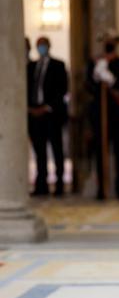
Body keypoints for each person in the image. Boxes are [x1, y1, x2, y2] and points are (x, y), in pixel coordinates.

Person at [87, 29, 119, 200]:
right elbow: (89, 87)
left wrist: (111, 80)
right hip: (99, 114)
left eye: (111, 41)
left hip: (118, 115)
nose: (108, 44)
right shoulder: (95, 64)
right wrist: (97, 77)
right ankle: (102, 189)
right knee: (100, 153)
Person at [27, 36, 68, 196]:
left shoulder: (58, 65)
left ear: (49, 46)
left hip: (52, 114)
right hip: (35, 114)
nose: (41, 48)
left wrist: (47, 107)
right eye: (39, 45)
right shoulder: (31, 66)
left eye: (43, 45)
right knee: (39, 152)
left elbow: (62, 90)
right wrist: (31, 109)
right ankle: (41, 185)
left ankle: (59, 185)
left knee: (57, 150)